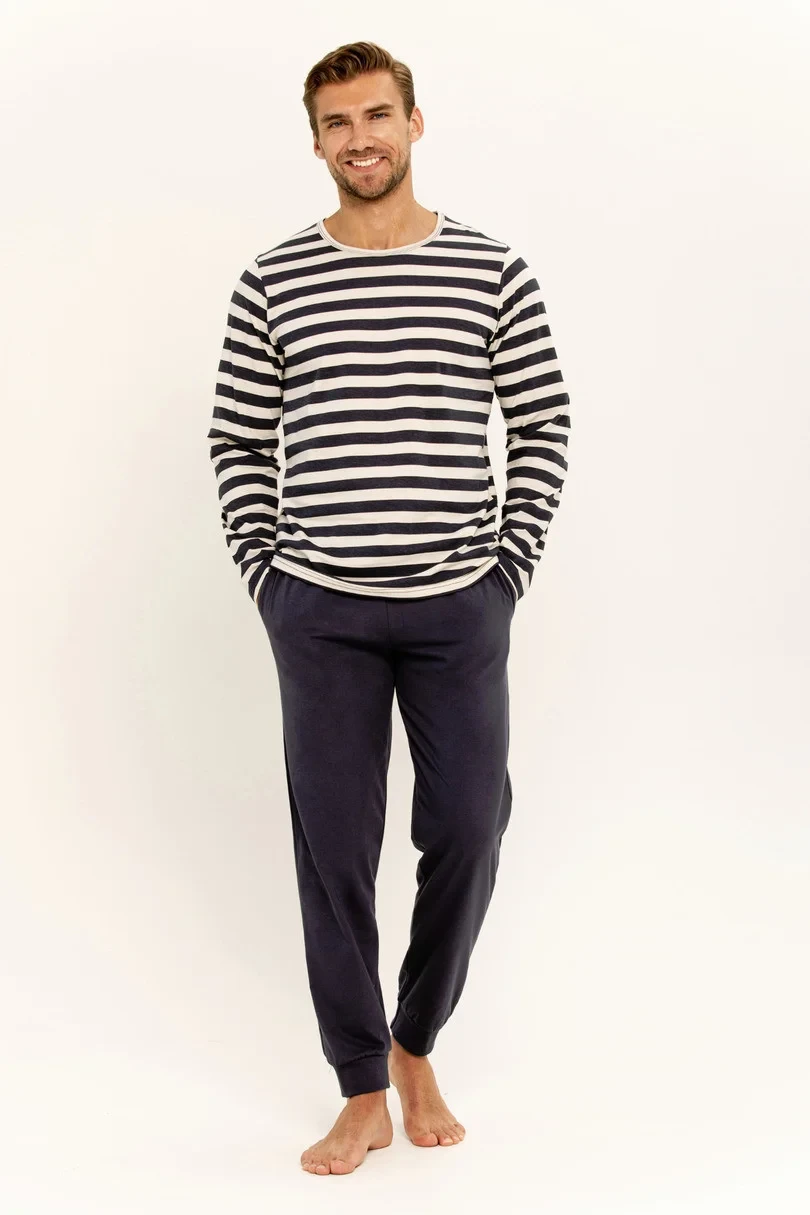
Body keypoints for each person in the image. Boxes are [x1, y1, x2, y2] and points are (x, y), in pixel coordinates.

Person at [207, 39, 571, 1176]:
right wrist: (269, 579)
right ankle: (362, 1085)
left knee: (468, 826)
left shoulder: (490, 270)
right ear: (315, 141)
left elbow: (542, 421)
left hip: (459, 607)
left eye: (376, 115)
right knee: (335, 850)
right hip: (319, 611)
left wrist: (506, 574)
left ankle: (416, 1041)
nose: (358, 138)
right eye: (336, 123)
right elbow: (237, 438)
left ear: (415, 123)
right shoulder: (274, 278)